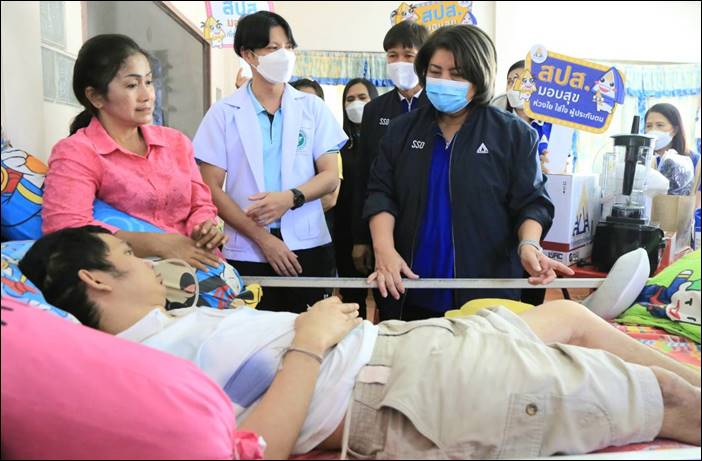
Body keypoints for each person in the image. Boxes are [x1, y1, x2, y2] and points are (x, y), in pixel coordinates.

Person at [18, 226, 702, 459]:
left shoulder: (171, 322)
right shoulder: (138, 366)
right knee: (667, 399)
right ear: (94, 280)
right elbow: (248, 446)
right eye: (126, 254)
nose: (145, 261)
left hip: (399, 342)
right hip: (399, 386)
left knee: (576, 323)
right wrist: (310, 341)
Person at [364, 25, 573, 321]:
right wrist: (383, 249)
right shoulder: (402, 131)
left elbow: (532, 202)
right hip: (406, 288)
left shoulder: (513, 135)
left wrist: (529, 244)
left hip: (485, 294)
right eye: (435, 72)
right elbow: (381, 194)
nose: (443, 81)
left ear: (480, 77)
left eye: (457, 74)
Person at [193, 12, 348, 313]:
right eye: (273, 48)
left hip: (308, 243)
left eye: (288, 47)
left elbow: (330, 176)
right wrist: (263, 239)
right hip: (247, 246)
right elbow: (211, 187)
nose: (285, 55)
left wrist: (290, 198)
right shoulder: (224, 113)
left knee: (310, 330)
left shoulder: (312, 108)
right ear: (248, 54)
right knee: (252, 339)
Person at [42, 34, 226, 271]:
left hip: (205, 275)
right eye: (131, 85)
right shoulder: (76, 152)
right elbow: (65, 231)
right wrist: (158, 243)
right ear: (95, 96)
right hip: (132, 284)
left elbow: (200, 204)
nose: (147, 95)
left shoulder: (176, 142)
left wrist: (204, 227)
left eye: (148, 82)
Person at [351, 21, 431, 284]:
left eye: (409, 55)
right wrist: (361, 238)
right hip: (383, 227)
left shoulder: (439, 105)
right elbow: (363, 176)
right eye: (392, 55)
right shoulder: (375, 110)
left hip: (428, 223)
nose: (400, 62)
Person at [335, 78, 379, 319]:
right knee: (353, 300)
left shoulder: (387, 142)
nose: (356, 104)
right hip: (346, 232)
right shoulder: (339, 146)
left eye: (362, 98)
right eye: (350, 99)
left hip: (381, 231)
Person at [289, 78, 340, 238]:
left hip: (315, 230)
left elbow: (330, 198)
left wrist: (286, 206)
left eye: (312, 101)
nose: (306, 107)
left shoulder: (329, 143)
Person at [503, 60, 554, 174]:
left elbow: (567, 165)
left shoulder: (554, 126)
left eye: (520, 81)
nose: (512, 87)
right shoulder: (497, 125)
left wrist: (555, 166)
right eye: (510, 82)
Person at [645, 103, 701, 200]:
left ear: (674, 130)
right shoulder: (643, 158)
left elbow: (696, 203)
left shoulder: (694, 160)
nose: (653, 130)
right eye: (649, 126)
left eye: (660, 125)